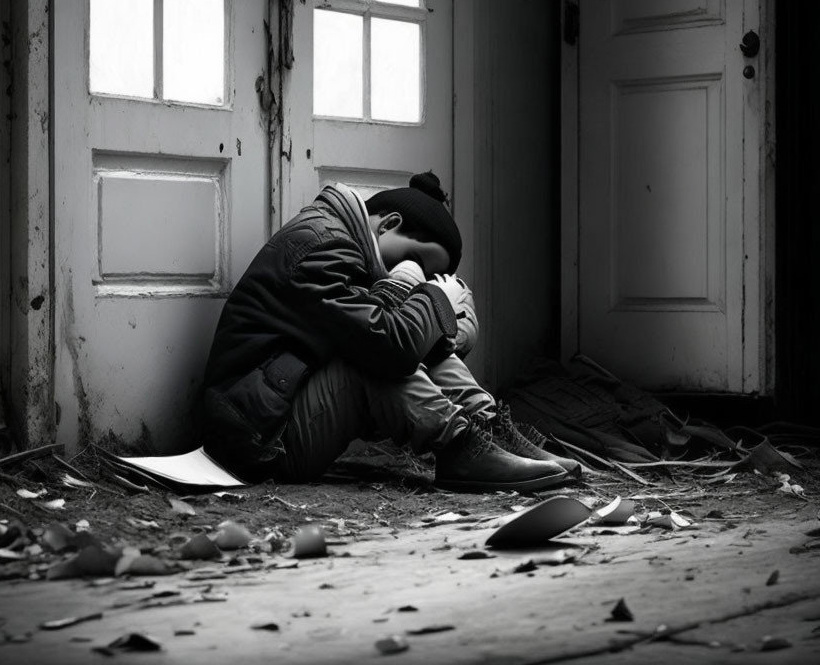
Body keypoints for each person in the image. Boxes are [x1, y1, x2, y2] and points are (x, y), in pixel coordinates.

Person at [199, 172, 580, 490]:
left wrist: (446, 323)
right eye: (415, 260)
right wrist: (436, 298)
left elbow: (396, 337)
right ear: (389, 224)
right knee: (377, 359)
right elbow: (389, 347)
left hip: (280, 408)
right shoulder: (322, 245)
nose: (413, 272)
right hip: (258, 440)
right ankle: (459, 448)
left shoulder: (344, 243)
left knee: (408, 345)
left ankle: (490, 429)